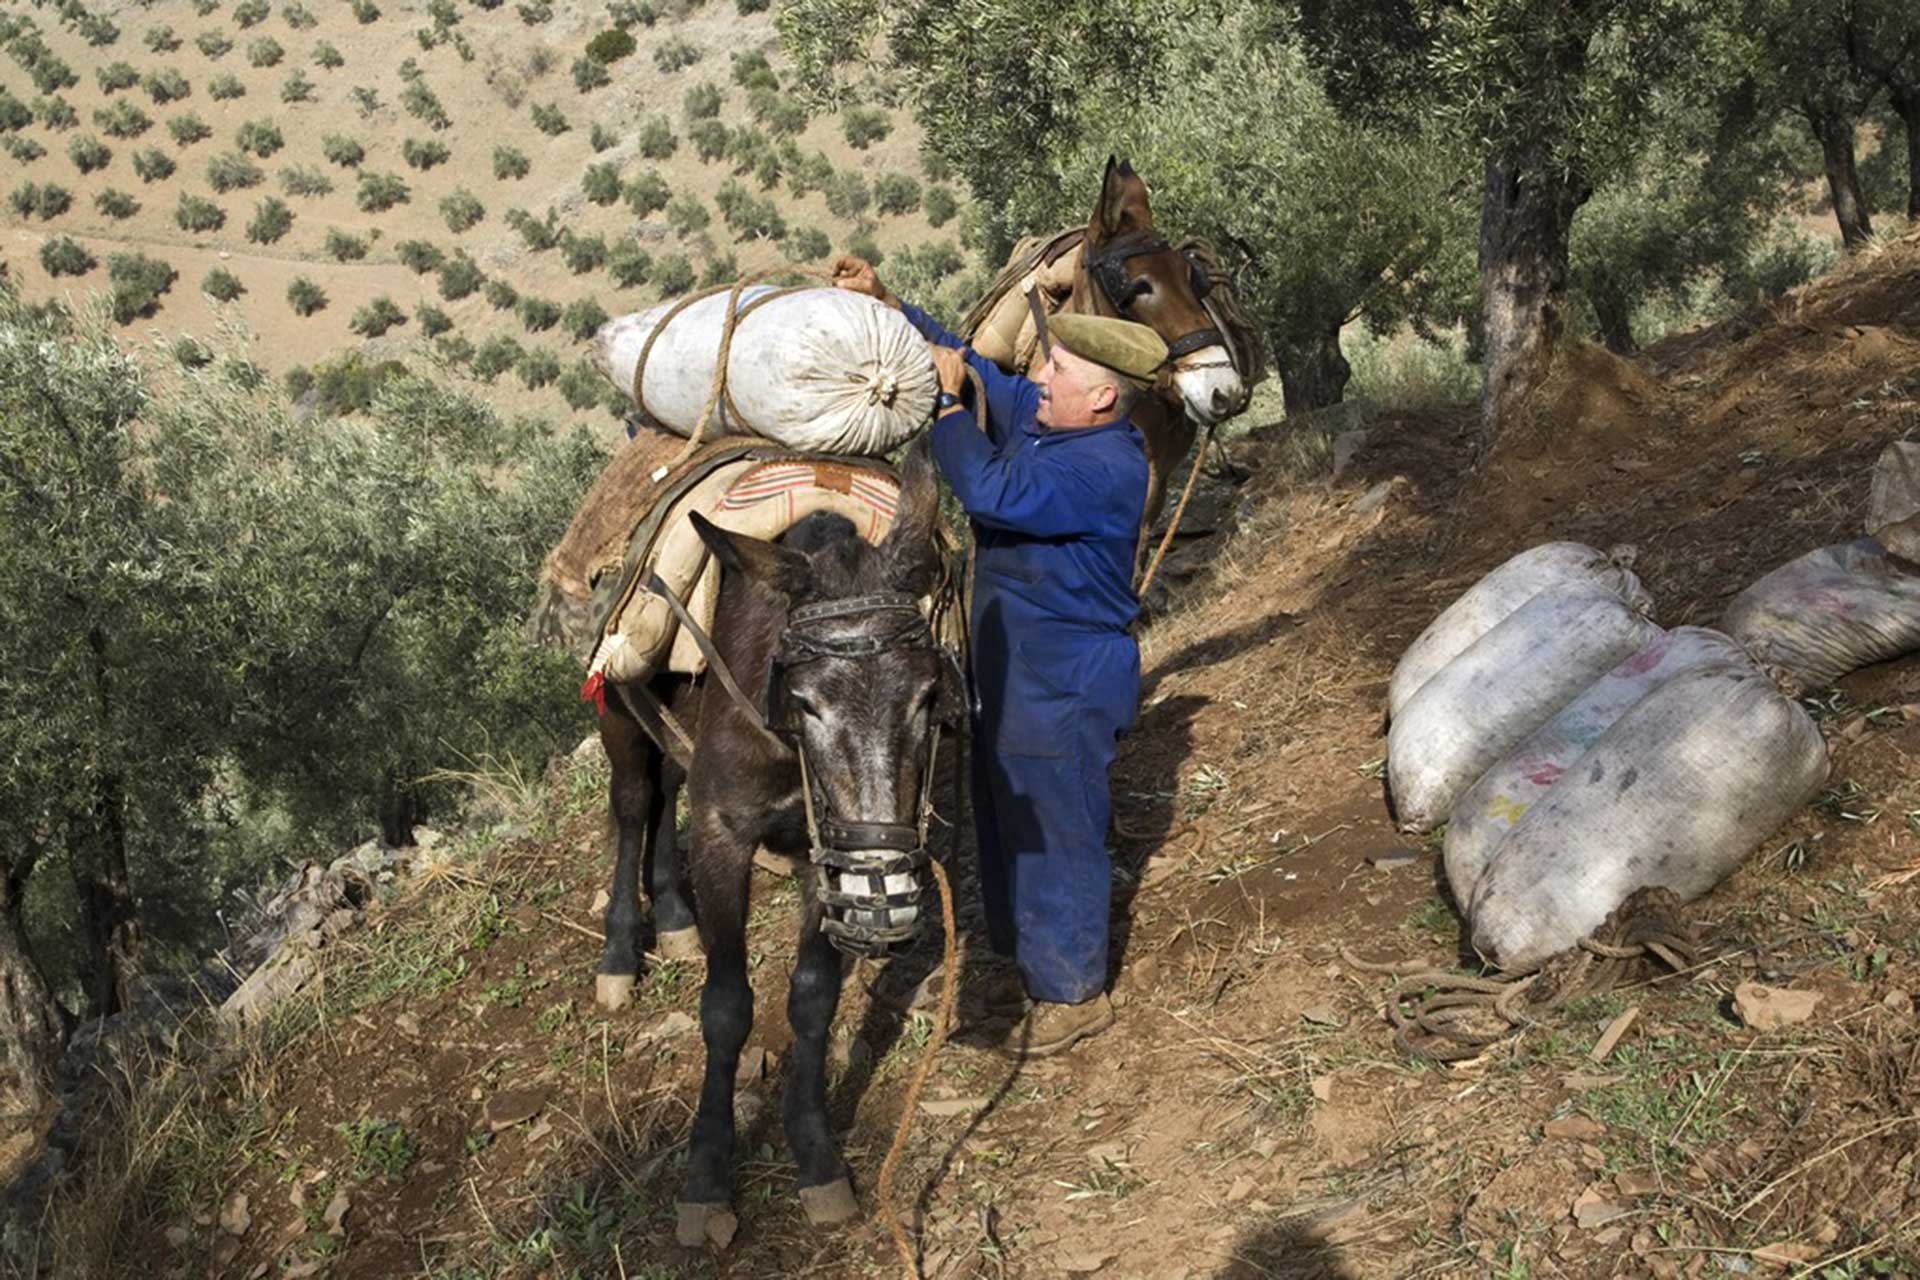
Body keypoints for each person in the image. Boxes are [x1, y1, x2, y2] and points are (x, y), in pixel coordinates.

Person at [830, 253, 1166, 1056]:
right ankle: (1029, 973)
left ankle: (1073, 993)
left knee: (1056, 831)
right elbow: (975, 367)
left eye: (1055, 367)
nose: (1039, 375)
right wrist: (891, 304)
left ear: (1104, 394)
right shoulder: (1053, 421)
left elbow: (989, 493)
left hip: (1066, 679)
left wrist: (945, 409)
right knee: (1009, 821)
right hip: (1020, 675)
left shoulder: (1107, 465)